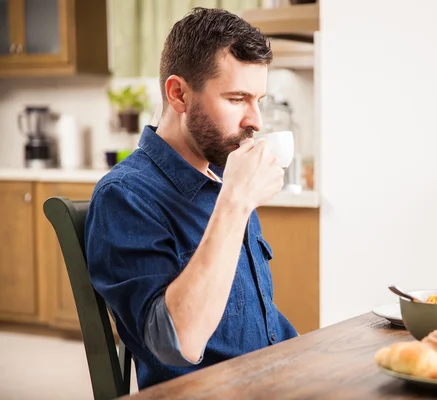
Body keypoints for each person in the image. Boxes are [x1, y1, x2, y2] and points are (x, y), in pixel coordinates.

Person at [85, 7, 298, 390]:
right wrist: (235, 202)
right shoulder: (125, 196)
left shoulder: (224, 175)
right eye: (237, 99)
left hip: (275, 379)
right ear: (178, 93)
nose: (256, 121)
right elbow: (174, 346)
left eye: (258, 100)